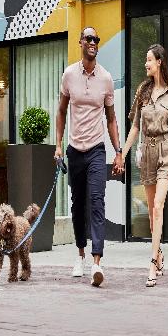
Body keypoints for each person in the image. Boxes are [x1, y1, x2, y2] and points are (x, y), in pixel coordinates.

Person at [55, 27, 123, 287]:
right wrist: (58, 146)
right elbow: (61, 111)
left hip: (96, 149)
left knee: (97, 202)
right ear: (81, 42)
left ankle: (97, 262)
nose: (93, 42)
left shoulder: (105, 78)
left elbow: (111, 119)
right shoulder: (69, 75)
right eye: (89, 39)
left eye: (96, 39)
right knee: (78, 205)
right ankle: (80, 255)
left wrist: (118, 152)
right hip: (75, 150)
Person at [113, 44, 168, 287]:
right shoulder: (142, 92)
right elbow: (135, 127)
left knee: (158, 206)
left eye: (149, 60)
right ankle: (159, 252)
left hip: (165, 150)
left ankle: (153, 262)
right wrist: (122, 153)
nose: (146, 64)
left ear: (159, 62)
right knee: (153, 215)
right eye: (146, 60)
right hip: (147, 152)